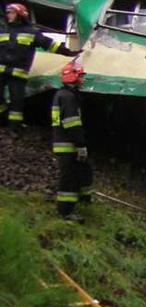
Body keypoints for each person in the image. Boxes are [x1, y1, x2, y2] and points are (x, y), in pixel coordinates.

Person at [1, 2, 81, 132]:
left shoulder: (32, 32)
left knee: (17, 103)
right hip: (1, 72)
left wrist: (69, 52)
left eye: (11, 12)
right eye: (8, 12)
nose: (8, 15)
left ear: (20, 15)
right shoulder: (2, 31)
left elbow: (50, 45)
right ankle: (4, 120)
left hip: (17, 75)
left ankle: (14, 129)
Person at [50, 61, 93, 222]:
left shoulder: (63, 95)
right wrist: (80, 145)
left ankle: (80, 202)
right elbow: (72, 123)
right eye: (80, 76)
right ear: (73, 76)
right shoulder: (68, 98)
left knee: (78, 175)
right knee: (68, 180)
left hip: (65, 144)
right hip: (68, 145)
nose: (82, 80)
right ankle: (65, 212)